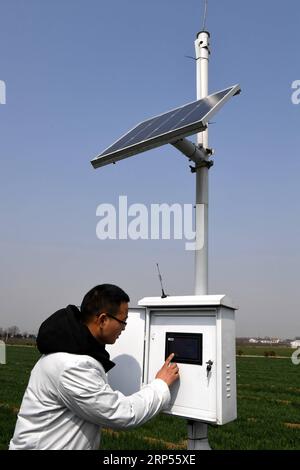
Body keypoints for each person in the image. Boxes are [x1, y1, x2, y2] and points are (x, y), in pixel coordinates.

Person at [9, 284, 179, 450]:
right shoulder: (72, 366)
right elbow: (122, 414)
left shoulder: (72, 351)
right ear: (103, 320)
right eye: (123, 321)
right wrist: (160, 385)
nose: (124, 328)